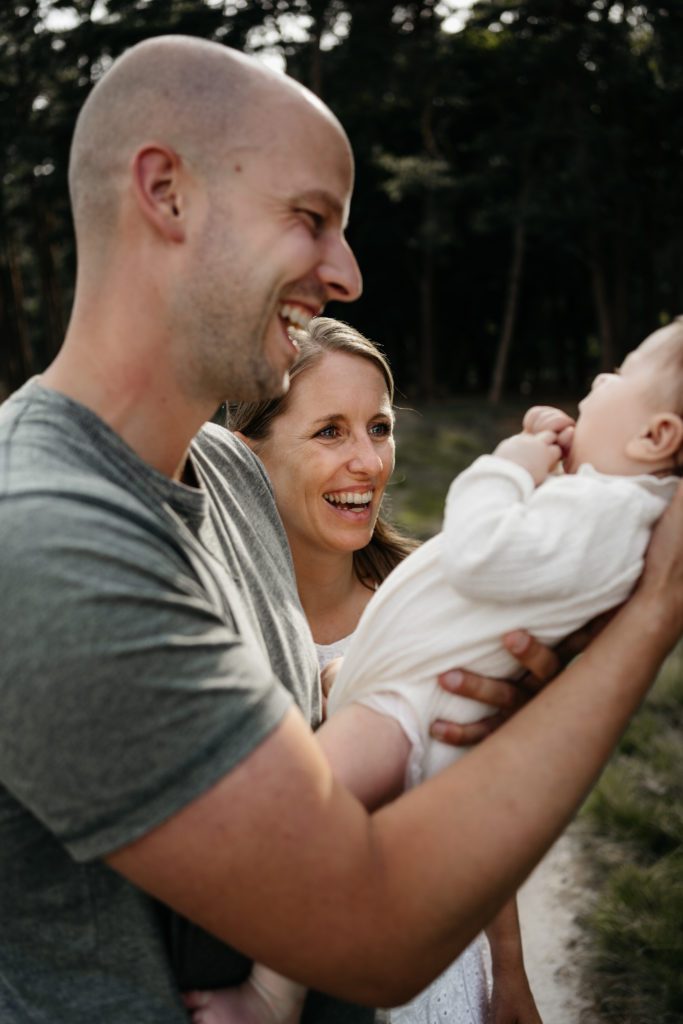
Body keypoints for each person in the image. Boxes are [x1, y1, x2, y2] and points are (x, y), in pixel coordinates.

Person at [1, 32, 683, 1024]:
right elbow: (371, 931)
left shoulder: (233, 472)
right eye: (311, 219)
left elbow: (284, 738)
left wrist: (452, 688)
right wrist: (651, 615)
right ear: (166, 193)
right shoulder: (45, 541)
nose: (350, 273)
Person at [189, 316, 683, 1024]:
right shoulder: (227, 620)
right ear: (247, 458)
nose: (368, 462)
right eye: (329, 432)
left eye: (379, 428)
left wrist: (508, 972)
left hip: (439, 970)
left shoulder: (434, 596)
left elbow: (473, 795)